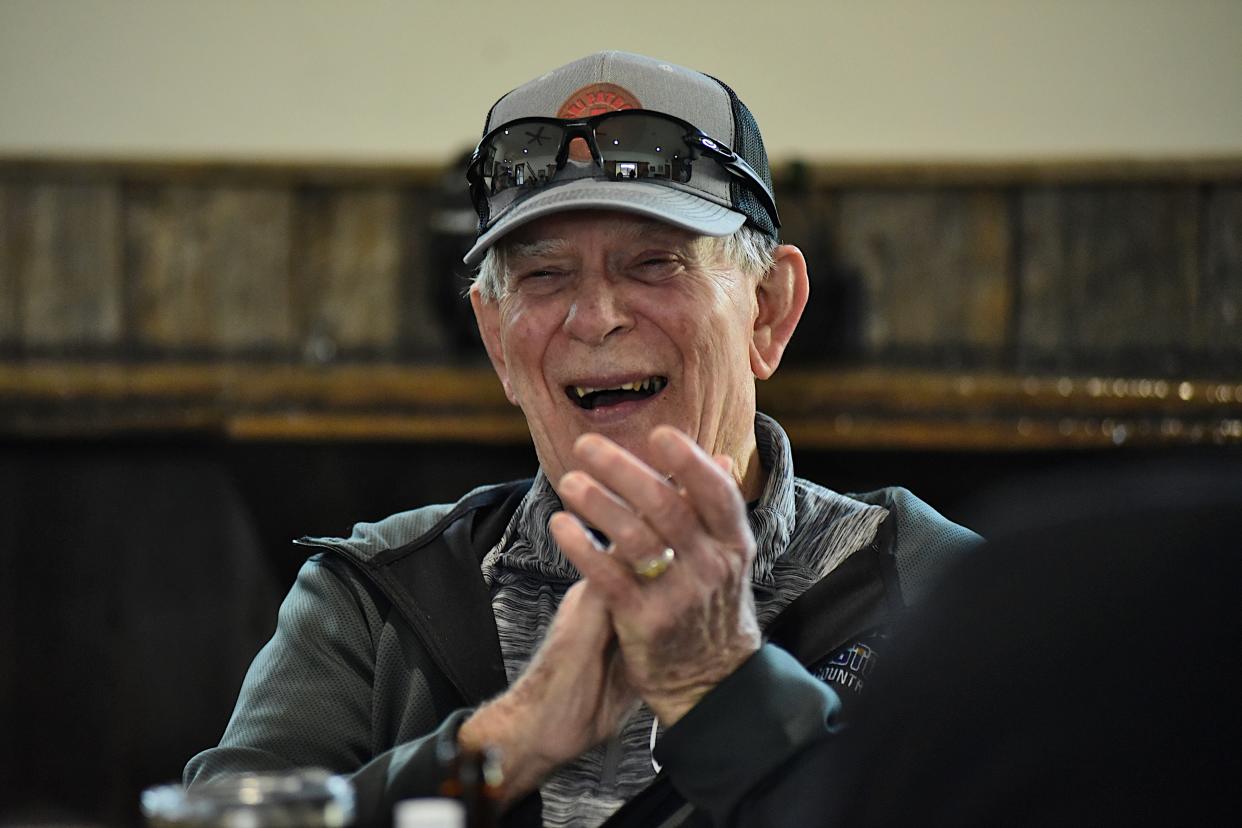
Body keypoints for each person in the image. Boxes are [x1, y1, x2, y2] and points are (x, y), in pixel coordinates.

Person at [185, 51, 981, 827]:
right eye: (544, 276)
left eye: (655, 263)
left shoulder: (947, 590)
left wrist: (727, 692)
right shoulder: (376, 598)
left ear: (769, 310)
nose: (596, 317)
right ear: (497, 342)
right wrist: (502, 748)